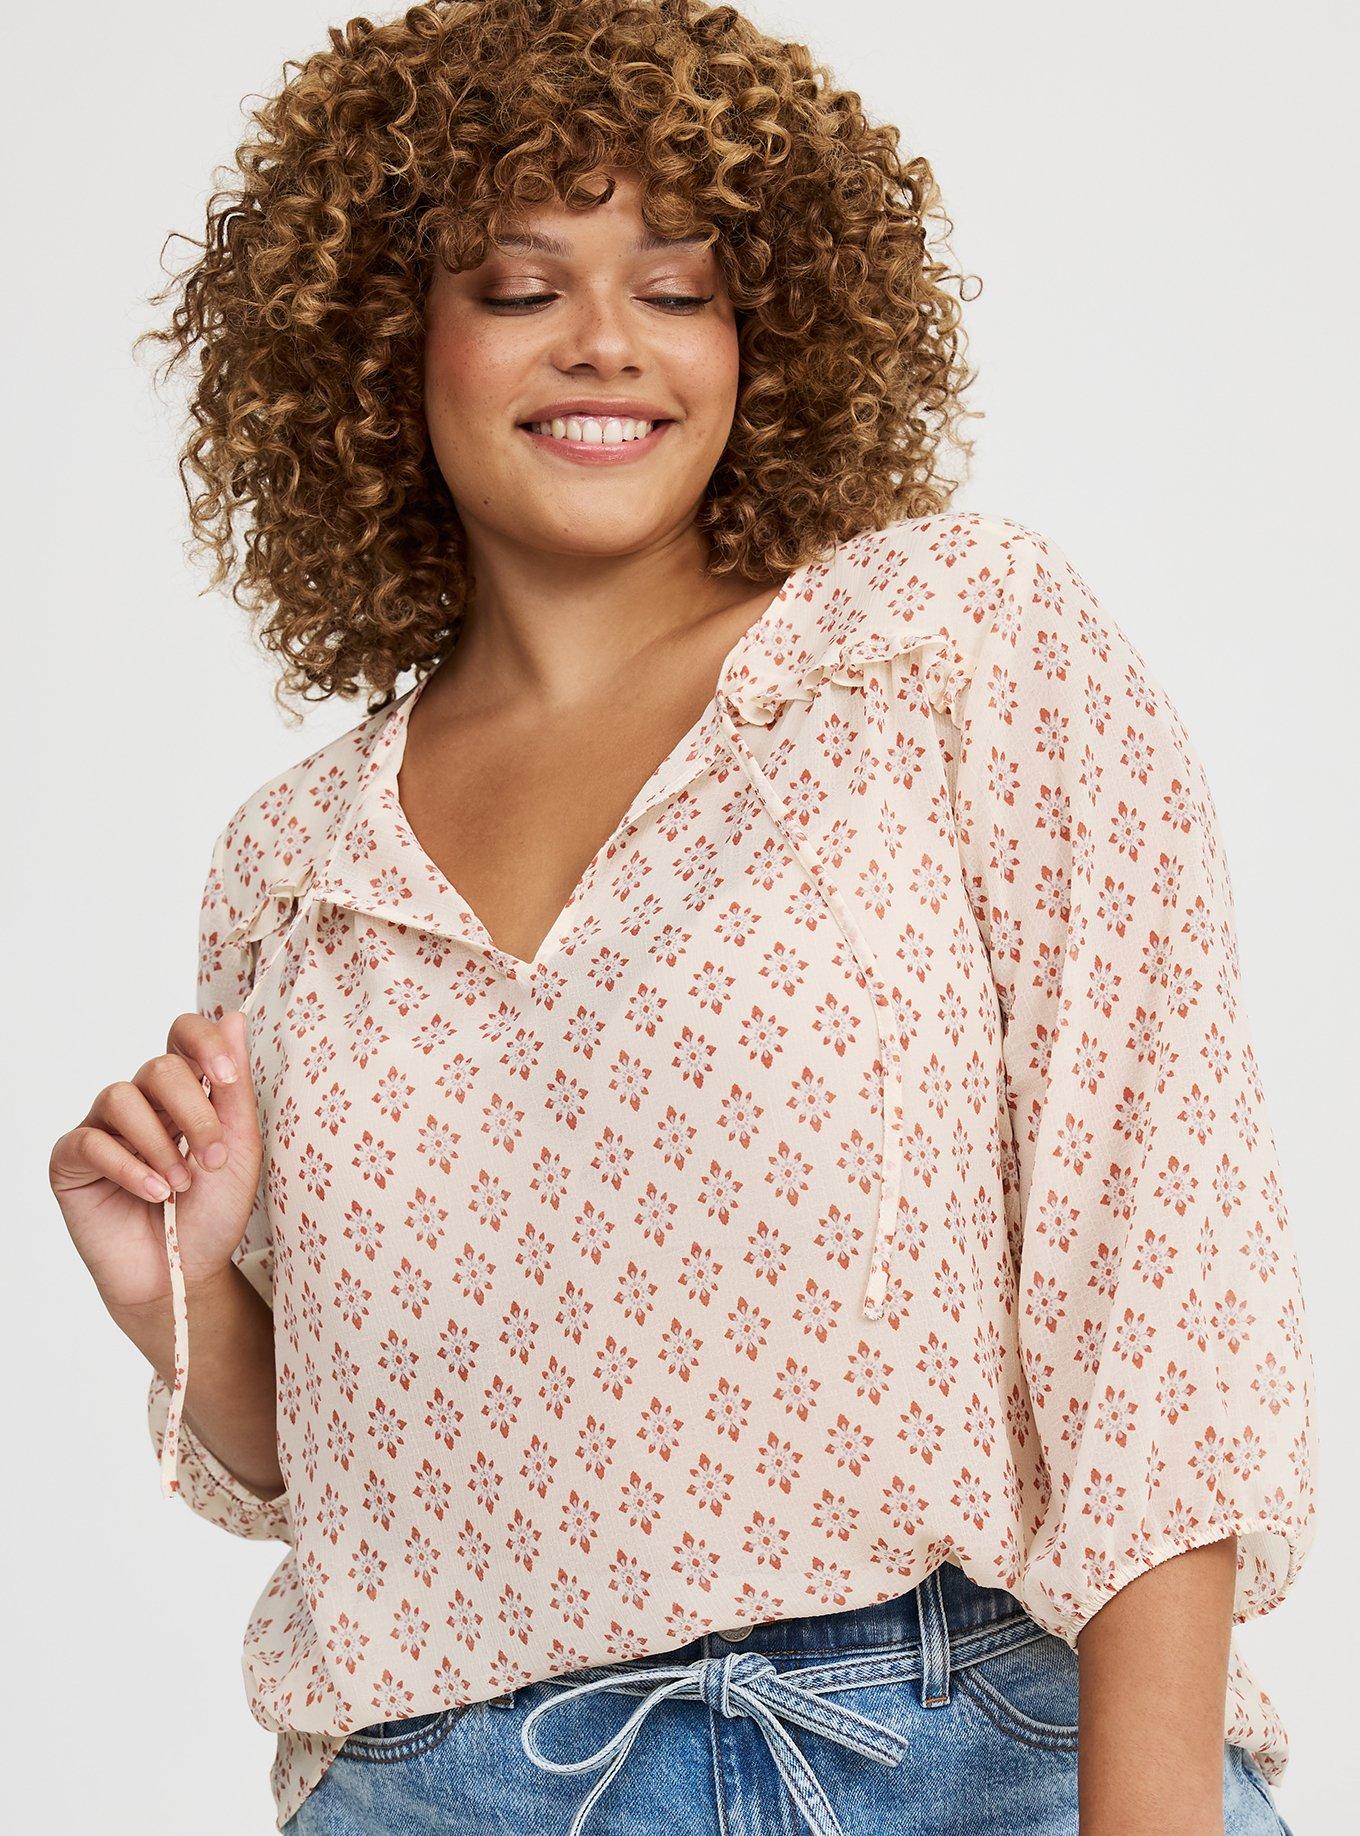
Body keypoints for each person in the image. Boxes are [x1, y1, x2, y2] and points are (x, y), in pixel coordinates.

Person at [50, 2, 1316, 1831]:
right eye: (519, 287)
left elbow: (1161, 1288)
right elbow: (359, 1482)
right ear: (384, 342)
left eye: (678, 287)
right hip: (448, 1787)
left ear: (765, 335)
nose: (607, 342)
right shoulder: (298, 860)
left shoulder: (943, 651)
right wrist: (176, 1287)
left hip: (980, 1762)